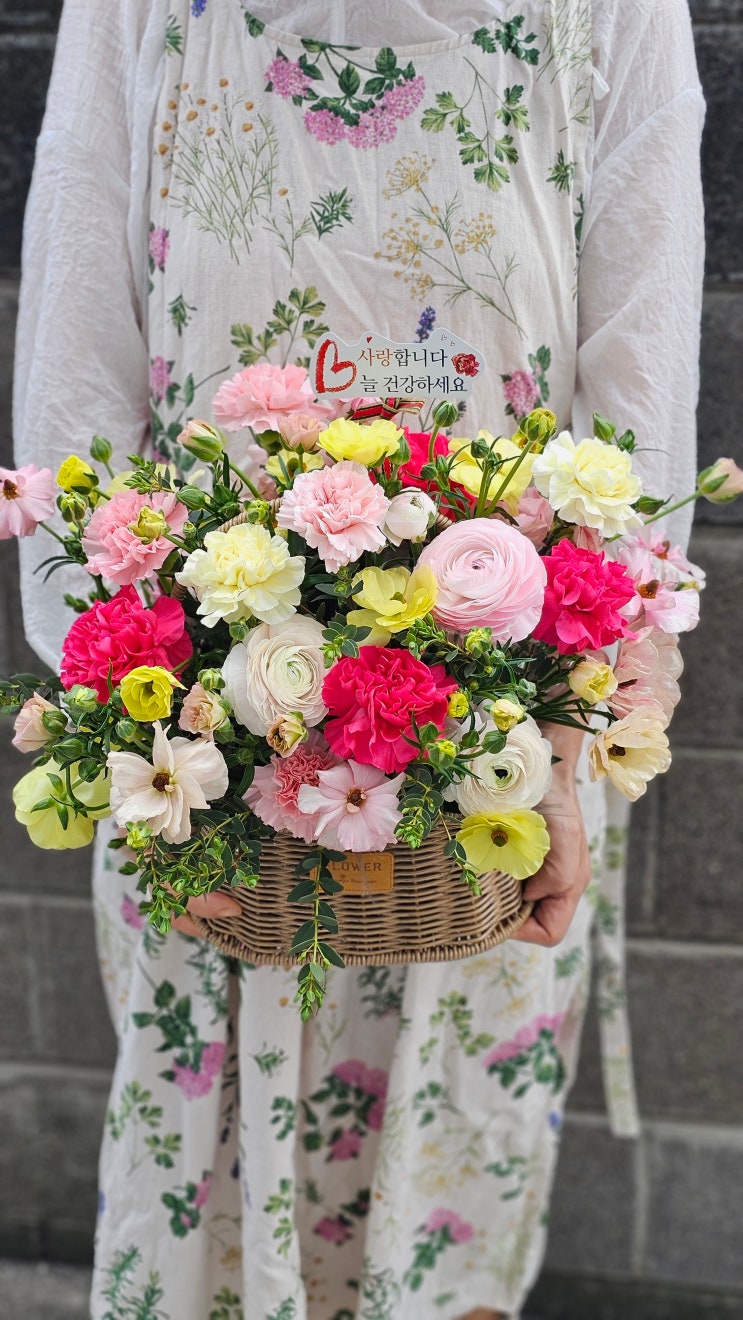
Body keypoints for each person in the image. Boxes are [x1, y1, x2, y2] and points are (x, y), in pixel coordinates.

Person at [14, 1, 704, 1316]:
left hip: (505, 740)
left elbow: (641, 359)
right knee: (212, 1166)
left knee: (450, 1172)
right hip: (199, 736)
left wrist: (576, 728)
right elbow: (80, 337)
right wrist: (130, 725)